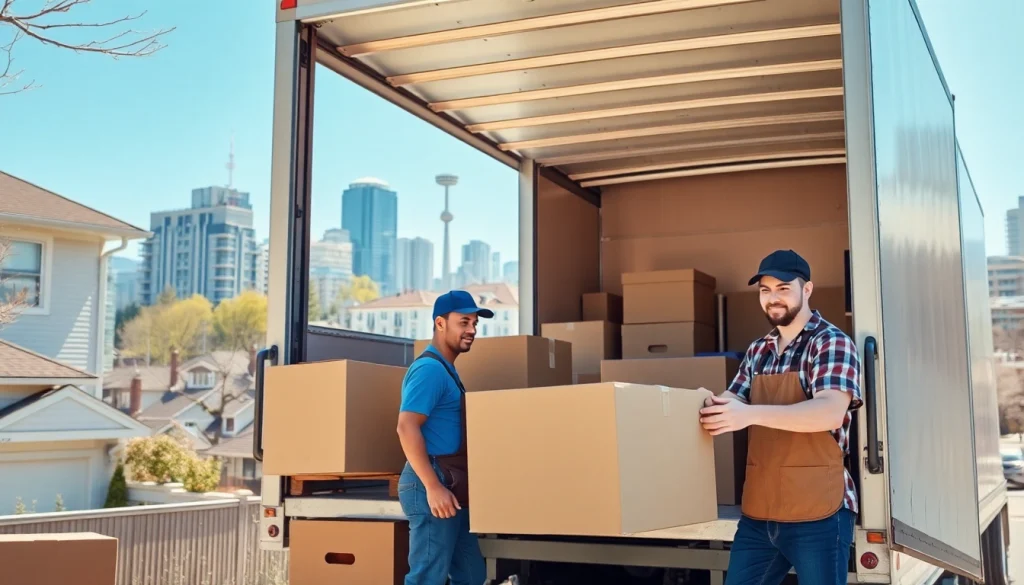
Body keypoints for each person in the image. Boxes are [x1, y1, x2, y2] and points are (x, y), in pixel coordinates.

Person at [699, 249, 863, 585]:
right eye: (765, 290)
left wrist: (748, 414)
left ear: (807, 290)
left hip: (820, 511)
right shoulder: (759, 350)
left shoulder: (830, 343)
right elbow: (731, 400)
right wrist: (693, 406)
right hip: (761, 511)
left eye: (783, 288)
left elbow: (830, 412)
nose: (773, 298)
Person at [396, 290, 492, 585]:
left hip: (451, 484)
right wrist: (433, 487)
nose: (472, 330)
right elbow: (406, 426)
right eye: (464, 322)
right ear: (440, 323)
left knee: (472, 576)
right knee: (427, 578)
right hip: (431, 483)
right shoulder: (430, 370)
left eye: (475, 323)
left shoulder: (447, 370)